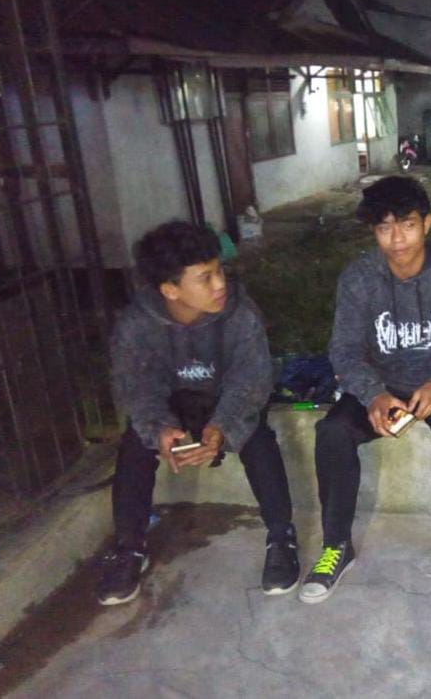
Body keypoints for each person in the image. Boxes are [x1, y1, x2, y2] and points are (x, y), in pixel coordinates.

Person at [300, 176, 431, 612]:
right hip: (381, 384)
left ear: (427, 223)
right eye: (385, 228)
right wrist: (373, 394)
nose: (397, 239)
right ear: (374, 231)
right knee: (332, 432)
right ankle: (336, 545)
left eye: (407, 225)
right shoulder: (359, 278)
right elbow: (344, 350)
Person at [98, 221, 298, 605]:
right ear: (170, 289)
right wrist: (160, 428)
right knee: (135, 444)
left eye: (219, 271)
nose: (220, 284)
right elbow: (136, 386)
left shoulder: (240, 314)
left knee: (257, 437)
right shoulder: (136, 324)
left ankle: (281, 538)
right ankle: (129, 548)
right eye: (205, 278)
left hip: (224, 401)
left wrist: (222, 426)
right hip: (173, 405)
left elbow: (251, 379)